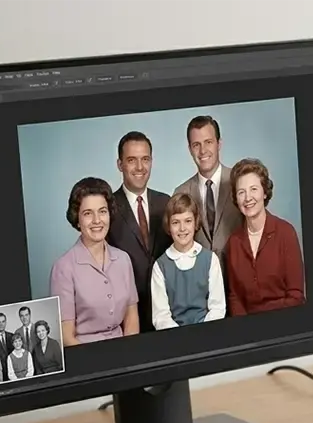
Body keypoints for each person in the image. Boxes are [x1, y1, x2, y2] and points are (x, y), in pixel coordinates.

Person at [49, 177, 140, 346]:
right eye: (88, 213)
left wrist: (128, 353)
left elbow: (131, 319)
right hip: (84, 355)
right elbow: (66, 337)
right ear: (77, 219)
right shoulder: (63, 268)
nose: (97, 220)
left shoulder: (123, 259)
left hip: (125, 352)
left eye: (102, 211)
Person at [107, 131, 172, 332]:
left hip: (168, 313)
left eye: (145, 159)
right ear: (120, 165)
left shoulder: (166, 203)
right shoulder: (107, 209)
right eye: (131, 160)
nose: (140, 167)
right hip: (127, 319)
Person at [224, 157, 305, 316]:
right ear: (236, 199)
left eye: (253, 189)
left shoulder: (286, 233)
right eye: (241, 192)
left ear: (265, 193)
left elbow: (296, 296)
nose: (248, 198)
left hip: (286, 320)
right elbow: (235, 298)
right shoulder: (234, 242)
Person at [150, 192, 225, 330]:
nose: (182, 228)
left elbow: (217, 308)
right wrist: (181, 337)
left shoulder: (210, 260)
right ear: (168, 225)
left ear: (196, 222)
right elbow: (161, 316)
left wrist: (201, 333)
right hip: (174, 337)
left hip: (208, 332)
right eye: (176, 222)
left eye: (188, 221)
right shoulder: (160, 266)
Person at [173, 116, 241, 267]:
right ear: (190, 149)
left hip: (239, 273)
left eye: (208, 142)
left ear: (219, 144)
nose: (203, 151)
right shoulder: (181, 193)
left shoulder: (238, 181)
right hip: (199, 276)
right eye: (196, 145)